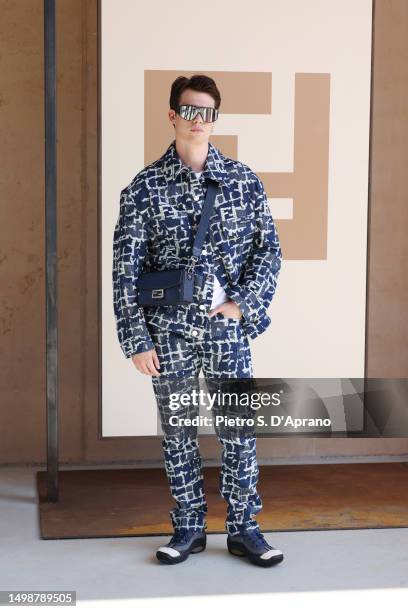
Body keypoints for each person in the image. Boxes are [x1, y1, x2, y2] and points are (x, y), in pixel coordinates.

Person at [112, 74, 284, 567]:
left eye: (207, 112)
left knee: (239, 430)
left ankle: (244, 528)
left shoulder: (243, 181)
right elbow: (125, 270)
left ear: (216, 119)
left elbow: (269, 252)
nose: (198, 120)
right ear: (172, 114)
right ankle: (187, 527)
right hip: (168, 333)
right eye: (189, 110)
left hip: (226, 331)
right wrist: (136, 339)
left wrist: (243, 304)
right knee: (178, 430)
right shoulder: (143, 188)